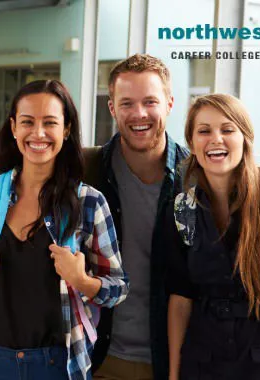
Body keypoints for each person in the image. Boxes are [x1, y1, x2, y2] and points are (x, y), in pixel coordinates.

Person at [0, 79, 129, 380]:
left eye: (50, 123)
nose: (38, 133)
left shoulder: (88, 202)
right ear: (13, 127)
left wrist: (82, 280)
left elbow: (118, 288)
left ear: (67, 129)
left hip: (56, 364)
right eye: (27, 122)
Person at [166, 94, 260, 380]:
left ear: (245, 138)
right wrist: (173, 373)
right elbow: (181, 298)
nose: (215, 139)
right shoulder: (183, 208)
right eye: (204, 131)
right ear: (191, 144)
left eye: (227, 129)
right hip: (203, 359)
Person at [86, 54, 189, 380]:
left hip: (178, 363)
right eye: (127, 103)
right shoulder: (86, 171)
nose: (139, 114)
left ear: (170, 104)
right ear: (112, 108)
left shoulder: (198, 178)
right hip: (100, 358)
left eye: (150, 102)